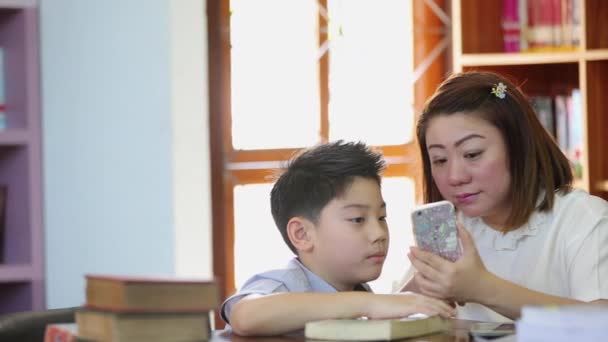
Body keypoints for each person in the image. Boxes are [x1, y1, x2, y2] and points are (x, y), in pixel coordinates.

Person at [403, 71, 608, 322]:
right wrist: (419, 290)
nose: (454, 176)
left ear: (518, 146)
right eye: (440, 160)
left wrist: (482, 288)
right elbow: (388, 322)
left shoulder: (582, 219)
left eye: (472, 154)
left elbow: (602, 321)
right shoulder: (448, 230)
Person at [220, 141, 455, 336]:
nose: (379, 233)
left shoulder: (359, 291)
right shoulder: (283, 284)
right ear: (302, 234)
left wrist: (417, 291)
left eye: (382, 217)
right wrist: (369, 304)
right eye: (357, 219)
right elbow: (245, 315)